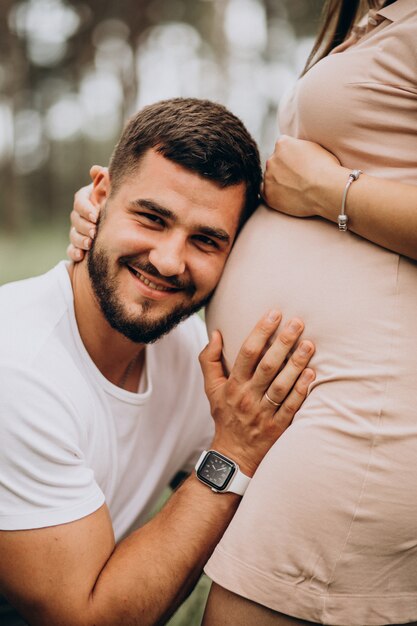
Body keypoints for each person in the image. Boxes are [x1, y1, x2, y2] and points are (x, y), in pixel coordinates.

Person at [69, 1, 417, 624]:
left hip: (363, 416)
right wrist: (122, 219)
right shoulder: (368, 17)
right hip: (310, 409)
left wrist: (332, 193)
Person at [0, 98, 316, 626]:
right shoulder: (19, 367)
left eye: (206, 240)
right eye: (151, 218)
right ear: (99, 196)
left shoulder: (188, 352)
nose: (169, 260)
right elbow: (88, 619)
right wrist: (233, 452)